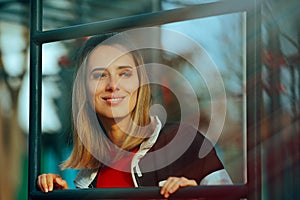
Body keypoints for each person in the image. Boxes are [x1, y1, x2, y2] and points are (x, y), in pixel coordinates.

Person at [37, 33, 232, 199]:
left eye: (125, 74)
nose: (113, 85)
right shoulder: (87, 178)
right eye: (99, 75)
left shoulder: (184, 143)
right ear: (83, 90)